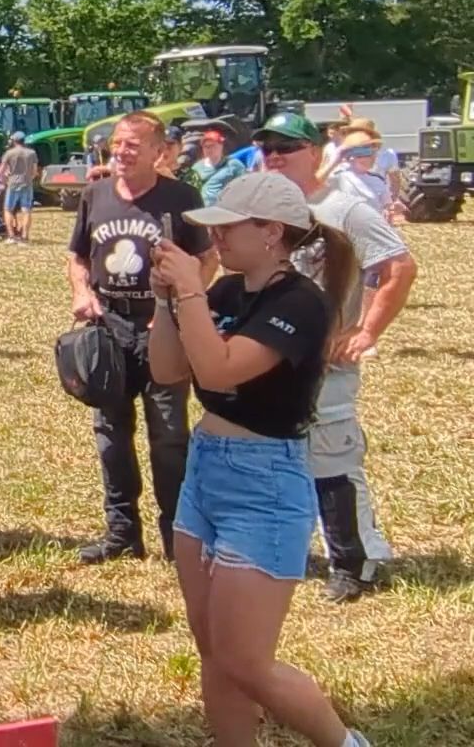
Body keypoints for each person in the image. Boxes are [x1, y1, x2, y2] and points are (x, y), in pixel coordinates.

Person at [147, 172, 372, 747]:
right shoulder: (225, 293)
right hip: (207, 470)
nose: (216, 239)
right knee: (216, 653)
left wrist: (192, 292)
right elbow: (169, 371)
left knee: (246, 661)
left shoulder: (300, 303)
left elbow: (221, 369)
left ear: (272, 232)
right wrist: (166, 301)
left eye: (230, 227)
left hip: (264, 480)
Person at [256, 112, 417, 601]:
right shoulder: (268, 210)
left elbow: (399, 268)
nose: (276, 156)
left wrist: (364, 330)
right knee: (283, 453)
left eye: (288, 146)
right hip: (276, 355)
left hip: (326, 363)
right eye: (269, 148)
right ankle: (303, 548)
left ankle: (355, 561)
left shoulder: (345, 210)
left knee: (333, 455)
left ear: (315, 152)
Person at [67, 111, 219, 564]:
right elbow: (77, 256)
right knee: (111, 433)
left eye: (133, 144)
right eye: (118, 143)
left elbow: (208, 258)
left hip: (163, 329)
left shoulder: (180, 197)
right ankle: (121, 532)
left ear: (159, 152)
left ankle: (179, 536)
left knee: (169, 434)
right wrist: (81, 291)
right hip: (110, 327)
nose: (122, 151)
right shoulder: (94, 195)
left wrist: (179, 305)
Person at [326, 129, 389, 212]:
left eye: (374, 153)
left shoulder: (378, 180)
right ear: (350, 156)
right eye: (365, 153)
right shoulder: (337, 179)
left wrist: (392, 209)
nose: (372, 158)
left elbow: (387, 205)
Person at [192, 126, 247, 206]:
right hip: (201, 209)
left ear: (221, 146)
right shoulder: (197, 167)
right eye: (206, 147)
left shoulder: (234, 165)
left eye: (212, 146)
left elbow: (243, 187)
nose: (209, 149)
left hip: (224, 209)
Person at [0, 132, 39, 242]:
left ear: (13, 141)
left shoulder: (9, 153)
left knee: (8, 209)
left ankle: (11, 236)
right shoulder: (32, 153)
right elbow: (35, 171)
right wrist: (30, 178)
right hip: (27, 183)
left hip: (12, 184)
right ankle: (25, 236)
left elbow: (1, 171)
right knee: (26, 210)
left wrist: (4, 180)